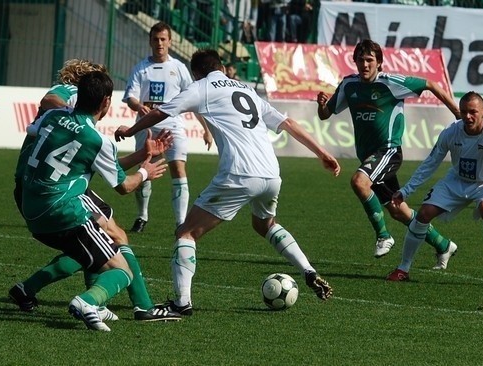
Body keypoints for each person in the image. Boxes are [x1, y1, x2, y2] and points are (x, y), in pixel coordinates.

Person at [115, 49, 341, 315]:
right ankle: (308, 269)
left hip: (239, 173)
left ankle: (181, 303)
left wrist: (130, 130)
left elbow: (161, 113)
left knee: (186, 233)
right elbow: (288, 122)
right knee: (265, 224)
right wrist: (323, 153)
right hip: (270, 173)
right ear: (222, 67)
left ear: (196, 72)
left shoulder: (201, 86)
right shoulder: (246, 90)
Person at [10, 59, 181, 323]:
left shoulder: (55, 118)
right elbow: (122, 184)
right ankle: (132, 305)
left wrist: (141, 155)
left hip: (34, 194)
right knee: (116, 243)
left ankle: (29, 288)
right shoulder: (85, 125)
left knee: (94, 245)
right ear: (105, 102)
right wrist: (146, 171)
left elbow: (95, 161)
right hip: (60, 199)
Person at [317, 39, 462, 269]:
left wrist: (457, 113)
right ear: (354, 61)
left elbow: (430, 84)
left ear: (379, 63)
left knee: (358, 182)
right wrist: (321, 104)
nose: (364, 64)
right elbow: (326, 114)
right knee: (398, 210)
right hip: (369, 158)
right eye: (360, 60)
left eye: (369, 60)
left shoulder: (390, 83)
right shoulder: (349, 85)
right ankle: (443, 245)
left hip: (388, 151)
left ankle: (384, 236)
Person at [387, 92, 483, 287]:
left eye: (473, 112)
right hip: (457, 180)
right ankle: (403, 268)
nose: (468, 116)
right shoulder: (451, 132)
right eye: (464, 112)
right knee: (424, 213)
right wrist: (406, 190)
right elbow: (430, 163)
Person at [123, 21, 213, 233]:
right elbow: (130, 97)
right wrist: (139, 106)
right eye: (156, 39)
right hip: (147, 127)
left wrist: (206, 130)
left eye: (163, 39)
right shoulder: (140, 68)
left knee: (178, 169)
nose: (159, 43)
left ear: (170, 42)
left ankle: (181, 222)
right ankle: (142, 216)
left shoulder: (179, 69)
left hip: (173, 127)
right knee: (144, 169)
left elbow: (194, 100)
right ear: (150, 41)